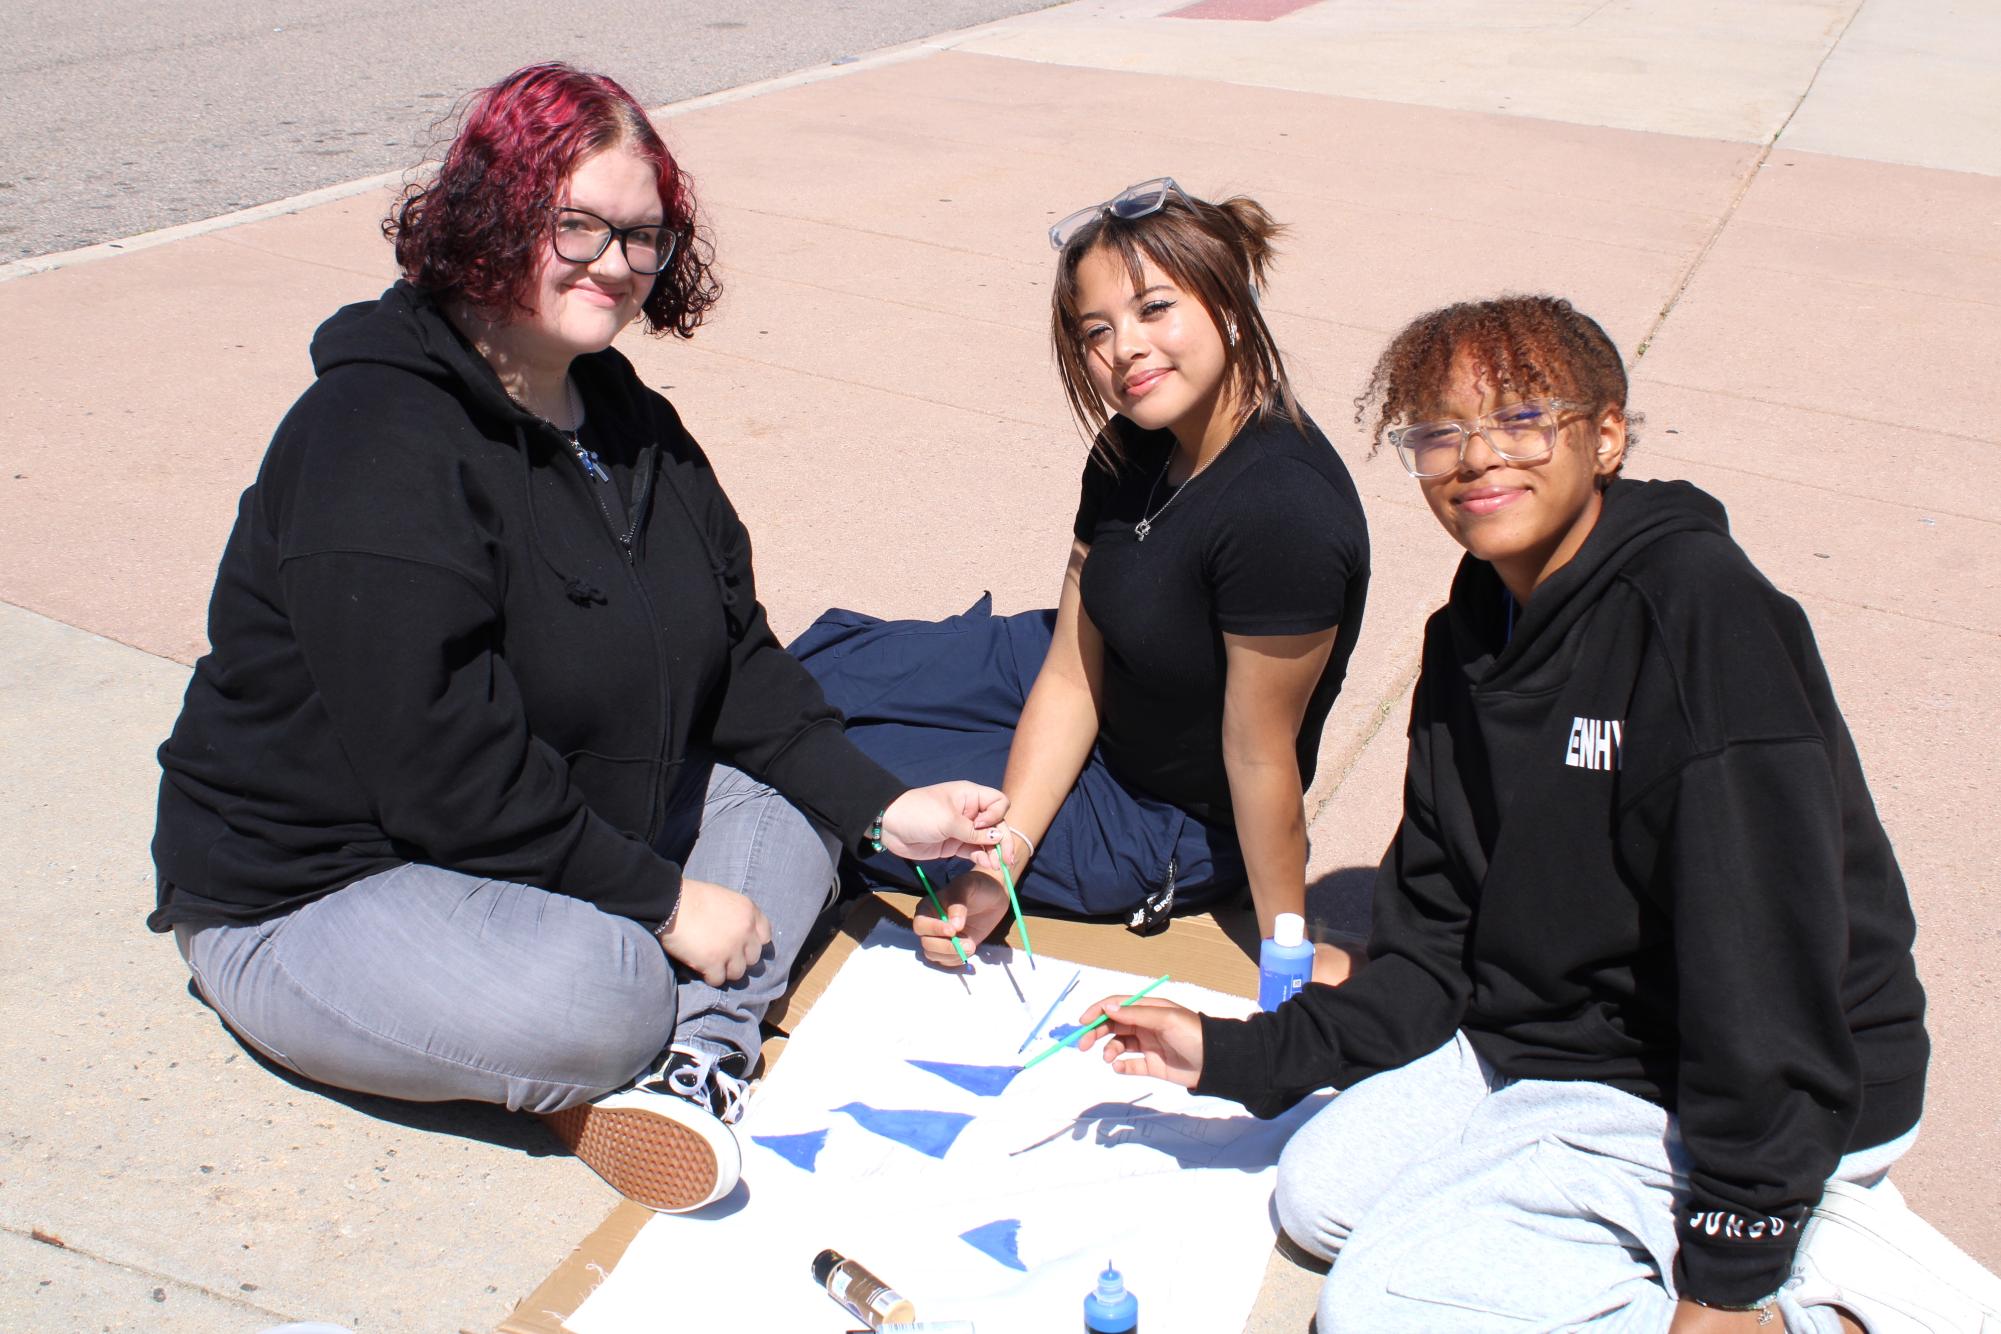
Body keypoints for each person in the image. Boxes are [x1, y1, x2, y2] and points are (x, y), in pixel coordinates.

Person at [147, 63, 1005, 1215]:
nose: (615, 263)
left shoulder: (628, 419)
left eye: (643, 236)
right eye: (579, 224)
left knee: (795, 795)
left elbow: (738, 653)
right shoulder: (375, 436)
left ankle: (698, 1064)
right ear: (493, 214)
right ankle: (635, 1035)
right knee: (603, 992)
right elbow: (438, 762)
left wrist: (887, 807)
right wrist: (661, 901)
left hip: (533, 833)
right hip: (319, 888)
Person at [1076, 296, 2001, 1330]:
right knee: (1321, 1192)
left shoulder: (1700, 619)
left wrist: (1731, 1271)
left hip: (1737, 1078)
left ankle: (1820, 1272)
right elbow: (1434, 948)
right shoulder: (1469, 634)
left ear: (1605, 434)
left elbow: (1766, 970)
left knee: (1376, 1309)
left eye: (1522, 420)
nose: (1476, 458)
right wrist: (1236, 1054)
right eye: (1437, 432)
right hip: (1561, 1043)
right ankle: (1611, 1204)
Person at [792, 178, 1370, 962]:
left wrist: (1286, 960)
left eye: (1154, 308)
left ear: (1231, 305)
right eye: (1097, 330)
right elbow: (1069, 670)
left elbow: (1259, 761)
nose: (1123, 347)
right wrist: (1017, 842)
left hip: (1159, 814)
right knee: (812, 677)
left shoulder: (1281, 513)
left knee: (834, 780)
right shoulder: (1130, 444)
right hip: (1101, 677)